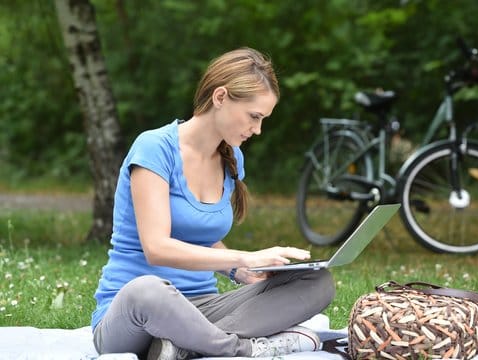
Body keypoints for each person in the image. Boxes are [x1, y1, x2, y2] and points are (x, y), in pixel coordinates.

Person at [91, 47, 336, 359]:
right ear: (220, 97)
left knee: (317, 282)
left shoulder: (232, 157)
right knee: (147, 290)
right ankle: (241, 348)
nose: (257, 130)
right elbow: (157, 248)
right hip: (133, 316)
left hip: (204, 309)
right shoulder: (154, 148)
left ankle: (182, 345)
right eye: (254, 117)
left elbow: (202, 238)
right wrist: (246, 257)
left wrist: (243, 273)